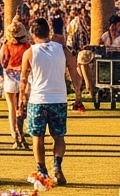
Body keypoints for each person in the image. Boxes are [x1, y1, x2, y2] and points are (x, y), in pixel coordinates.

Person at [18, 18, 83, 186]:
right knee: (59, 137)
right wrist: (78, 95)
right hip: (58, 99)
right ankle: (57, 166)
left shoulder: (30, 53)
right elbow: (74, 72)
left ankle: (42, 170)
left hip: (38, 100)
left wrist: (21, 101)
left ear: (32, 34)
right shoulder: (62, 49)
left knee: (37, 137)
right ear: (49, 32)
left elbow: (23, 80)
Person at [0, 22, 30, 149]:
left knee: (11, 107)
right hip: (23, 77)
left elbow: (2, 62)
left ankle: (14, 133)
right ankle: (21, 131)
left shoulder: (7, 45)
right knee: (21, 107)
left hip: (10, 76)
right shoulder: (27, 46)